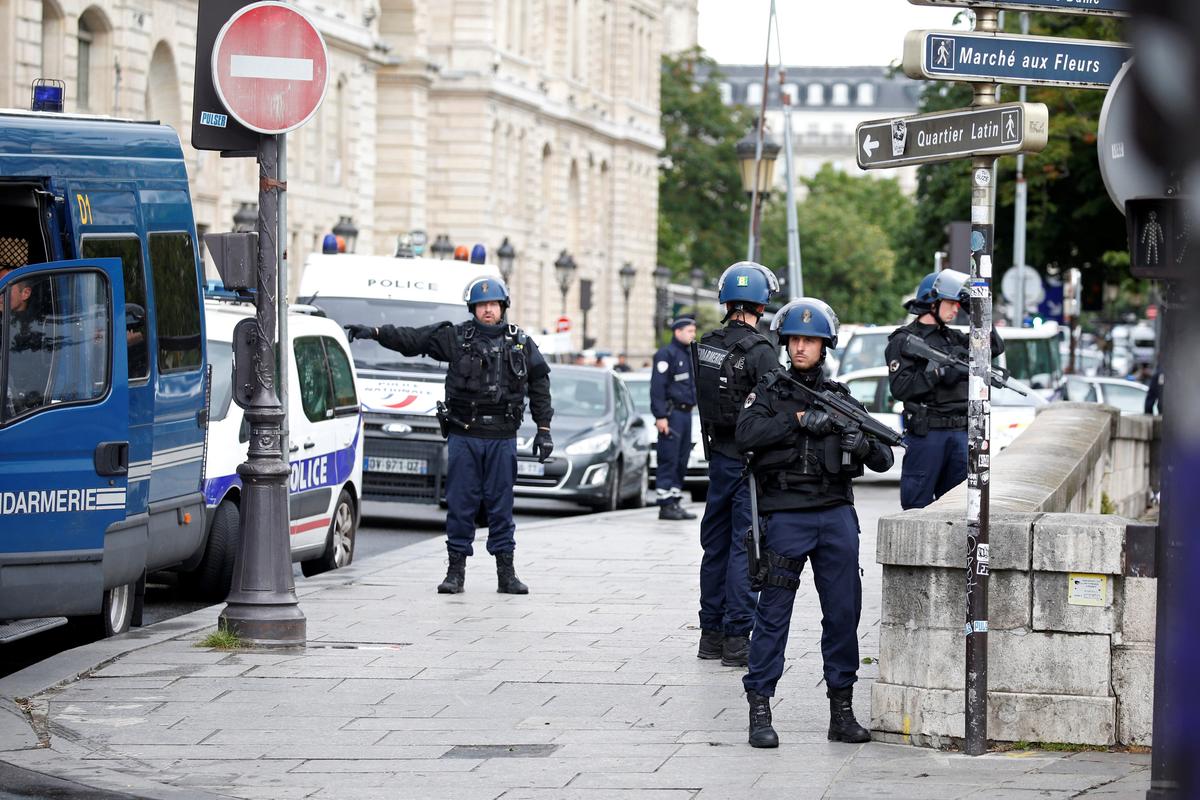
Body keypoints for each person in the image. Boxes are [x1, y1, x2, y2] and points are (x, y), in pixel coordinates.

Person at [736, 298, 894, 748]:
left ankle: (841, 712)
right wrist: (801, 420)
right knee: (773, 615)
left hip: (835, 516)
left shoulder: (841, 397)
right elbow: (746, 434)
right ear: (785, 343)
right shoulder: (769, 390)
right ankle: (761, 708)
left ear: (826, 347)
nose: (802, 347)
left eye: (811, 340)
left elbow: (883, 457)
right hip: (786, 516)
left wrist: (855, 441)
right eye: (796, 339)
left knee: (844, 614)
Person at [343, 276, 554, 594]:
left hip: (501, 437)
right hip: (464, 435)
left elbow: (540, 385)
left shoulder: (520, 343)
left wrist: (544, 430)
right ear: (473, 308)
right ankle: (455, 572)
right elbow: (413, 340)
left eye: (493, 305)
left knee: (501, 506)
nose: (488, 310)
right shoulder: (456, 338)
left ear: (503, 307)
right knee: (461, 504)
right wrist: (375, 333)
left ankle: (506, 573)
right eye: (482, 305)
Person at [693, 262, 780, 667]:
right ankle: (735, 640)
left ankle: (709, 636)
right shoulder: (761, 351)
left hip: (718, 459)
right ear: (761, 305)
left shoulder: (706, 343)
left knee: (714, 546)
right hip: (749, 464)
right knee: (745, 549)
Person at [884, 269, 1004, 510]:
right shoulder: (904, 341)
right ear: (932, 303)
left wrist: (977, 312)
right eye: (951, 302)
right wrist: (938, 374)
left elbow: (994, 347)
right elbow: (901, 388)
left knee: (958, 507)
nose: (956, 309)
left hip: (960, 432)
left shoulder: (954, 338)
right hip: (927, 434)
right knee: (916, 506)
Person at [650, 317, 698, 520]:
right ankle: (665, 503)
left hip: (686, 414)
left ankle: (675, 500)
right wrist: (660, 416)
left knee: (681, 459)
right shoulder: (666, 354)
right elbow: (658, 388)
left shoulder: (688, 353)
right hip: (672, 414)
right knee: (668, 458)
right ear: (677, 332)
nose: (693, 335)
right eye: (689, 331)